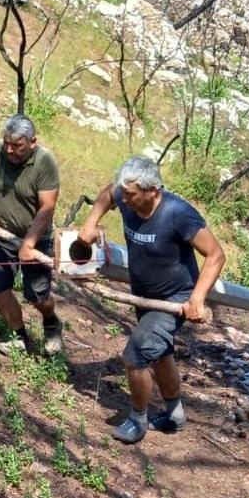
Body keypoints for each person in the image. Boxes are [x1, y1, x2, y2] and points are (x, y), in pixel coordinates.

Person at [79, 156, 225, 444]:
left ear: (153, 190)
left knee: (136, 356)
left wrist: (197, 298)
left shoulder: (179, 214)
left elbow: (216, 254)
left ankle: (137, 419)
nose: (125, 200)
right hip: (143, 294)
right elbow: (109, 194)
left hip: (175, 298)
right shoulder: (124, 194)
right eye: (125, 193)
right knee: (159, 353)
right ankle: (174, 414)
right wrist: (91, 223)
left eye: (132, 195)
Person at [0, 114, 63, 356]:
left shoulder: (44, 162)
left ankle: (51, 321)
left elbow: (47, 207)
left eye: (16, 145)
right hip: (2, 235)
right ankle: (20, 338)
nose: (9, 149)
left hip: (37, 239)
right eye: (6, 142)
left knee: (36, 295)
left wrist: (29, 244)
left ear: (32, 142)